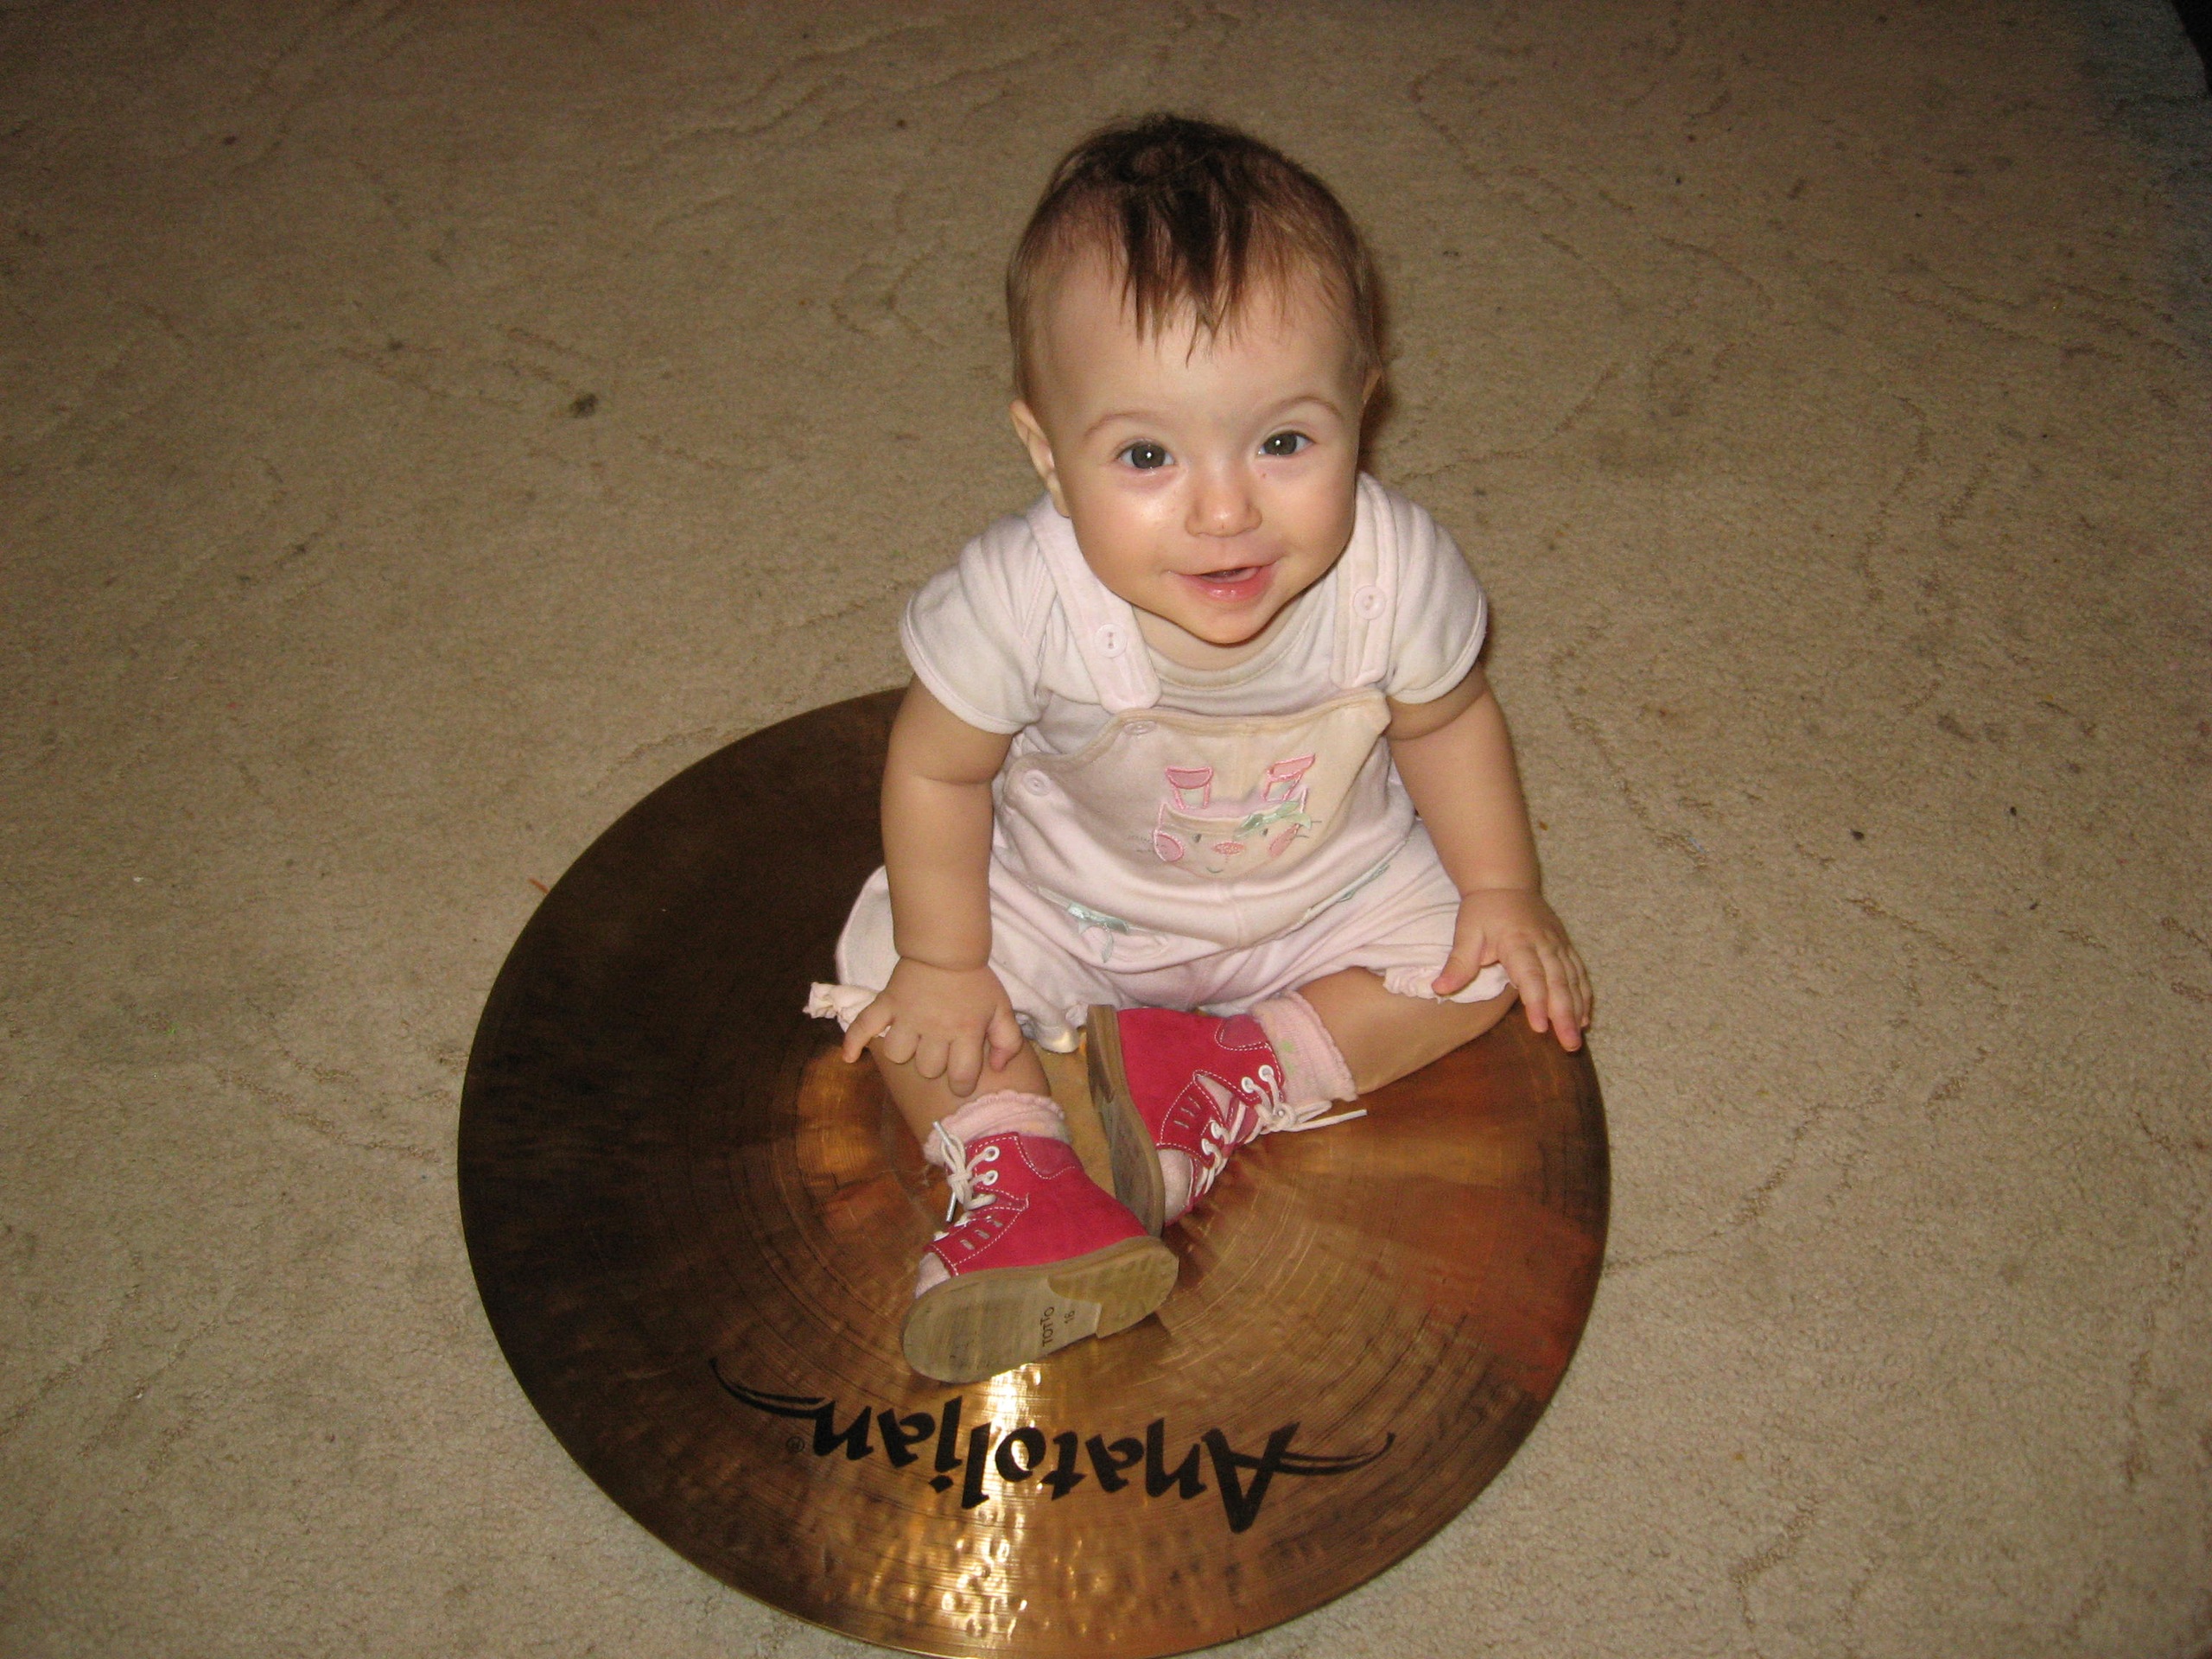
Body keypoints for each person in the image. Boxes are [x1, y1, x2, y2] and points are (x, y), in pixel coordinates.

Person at [807, 113, 1592, 1383]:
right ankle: (1018, 1168)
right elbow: (938, 769)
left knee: (1485, 965)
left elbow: (1448, 721)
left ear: (1363, 410)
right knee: (891, 958)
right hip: (1074, 903)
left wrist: (1501, 889)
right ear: (1046, 456)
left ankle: (1221, 1065)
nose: (1225, 509)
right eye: (1147, 455)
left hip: (1323, 893)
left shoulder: (1398, 575)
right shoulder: (1017, 600)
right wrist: (947, 963)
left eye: (1284, 442)